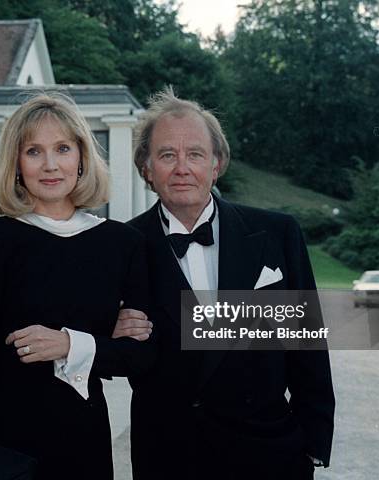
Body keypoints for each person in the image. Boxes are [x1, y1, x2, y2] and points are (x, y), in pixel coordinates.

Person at [0, 93, 155, 480]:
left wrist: (73, 344)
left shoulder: (122, 244)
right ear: (15, 163)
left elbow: (139, 357)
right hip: (2, 448)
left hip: (84, 445)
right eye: (33, 151)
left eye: (63, 148)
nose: (50, 165)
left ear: (81, 157)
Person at [112, 87, 335, 479]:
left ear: (216, 165)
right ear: (146, 168)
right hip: (169, 456)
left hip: (269, 454)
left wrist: (312, 445)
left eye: (195, 154)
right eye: (167, 155)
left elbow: (307, 347)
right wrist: (108, 329)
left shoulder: (277, 233)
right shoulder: (119, 246)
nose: (182, 168)